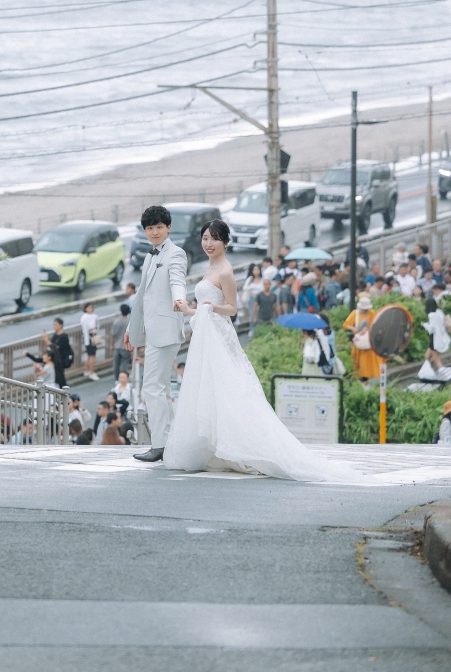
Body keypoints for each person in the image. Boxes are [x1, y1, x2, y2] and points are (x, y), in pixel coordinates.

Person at [164, 220, 360, 481]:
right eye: (205, 238)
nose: (208, 244)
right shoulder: (211, 266)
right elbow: (207, 305)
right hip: (206, 335)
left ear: (225, 242)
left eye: (214, 239)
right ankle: (211, 446)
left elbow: (232, 309)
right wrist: (189, 309)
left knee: (227, 389)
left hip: (219, 336)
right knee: (207, 387)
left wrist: (210, 308)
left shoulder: (225, 271)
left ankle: (234, 445)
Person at [125, 204, 188, 463]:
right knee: (159, 388)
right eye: (150, 228)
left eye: (159, 227)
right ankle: (169, 441)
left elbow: (177, 280)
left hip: (165, 330)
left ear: (168, 227)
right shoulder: (150, 257)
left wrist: (179, 299)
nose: (154, 232)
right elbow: (141, 297)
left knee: (152, 387)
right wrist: (133, 328)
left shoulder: (176, 253)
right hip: (152, 330)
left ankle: (161, 444)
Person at [343, 294, 380, 382]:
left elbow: (376, 325)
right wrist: (354, 329)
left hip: (368, 341)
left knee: (367, 363)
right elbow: (346, 325)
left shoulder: (372, 313)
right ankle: (360, 379)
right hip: (358, 342)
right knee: (357, 362)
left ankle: (365, 379)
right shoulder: (355, 313)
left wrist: (367, 329)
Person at [41, 318, 74, 389]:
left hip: (60, 362)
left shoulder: (64, 337)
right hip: (55, 362)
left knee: (61, 380)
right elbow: (51, 348)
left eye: (55, 325)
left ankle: (66, 396)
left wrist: (47, 340)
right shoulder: (55, 336)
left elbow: (56, 349)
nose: (54, 326)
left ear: (60, 325)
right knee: (58, 380)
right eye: (53, 325)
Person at [423, 295, 451, 373]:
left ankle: (442, 372)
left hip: (435, 339)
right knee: (427, 356)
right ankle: (427, 370)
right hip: (441, 336)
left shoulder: (431, 315)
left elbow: (432, 329)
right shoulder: (439, 312)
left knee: (437, 359)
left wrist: (424, 325)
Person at [242, 263, 265, 337]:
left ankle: (260, 330)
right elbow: (245, 288)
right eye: (254, 270)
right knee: (252, 315)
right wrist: (252, 292)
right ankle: (252, 330)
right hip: (252, 299)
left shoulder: (262, 279)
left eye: (257, 269)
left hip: (261, 300)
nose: (256, 271)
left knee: (260, 314)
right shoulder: (250, 279)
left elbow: (263, 289)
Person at [80, 301, 100, 381]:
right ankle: (92, 372)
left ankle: (87, 370)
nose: (91, 309)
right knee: (92, 355)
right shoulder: (85, 318)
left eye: (92, 307)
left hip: (93, 336)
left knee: (90, 355)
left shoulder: (94, 316)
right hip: (89, 337)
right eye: (89, 307)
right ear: (85, 309)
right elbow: (86, 329)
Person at [111, 304, 132, 380]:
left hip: (117, 345)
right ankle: (123, 378)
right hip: (125, 346)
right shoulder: (129, 322)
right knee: (124, 362)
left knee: (116, 363)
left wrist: (112, 345)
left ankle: (117, 378)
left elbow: (113, 335)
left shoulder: (116, 321)